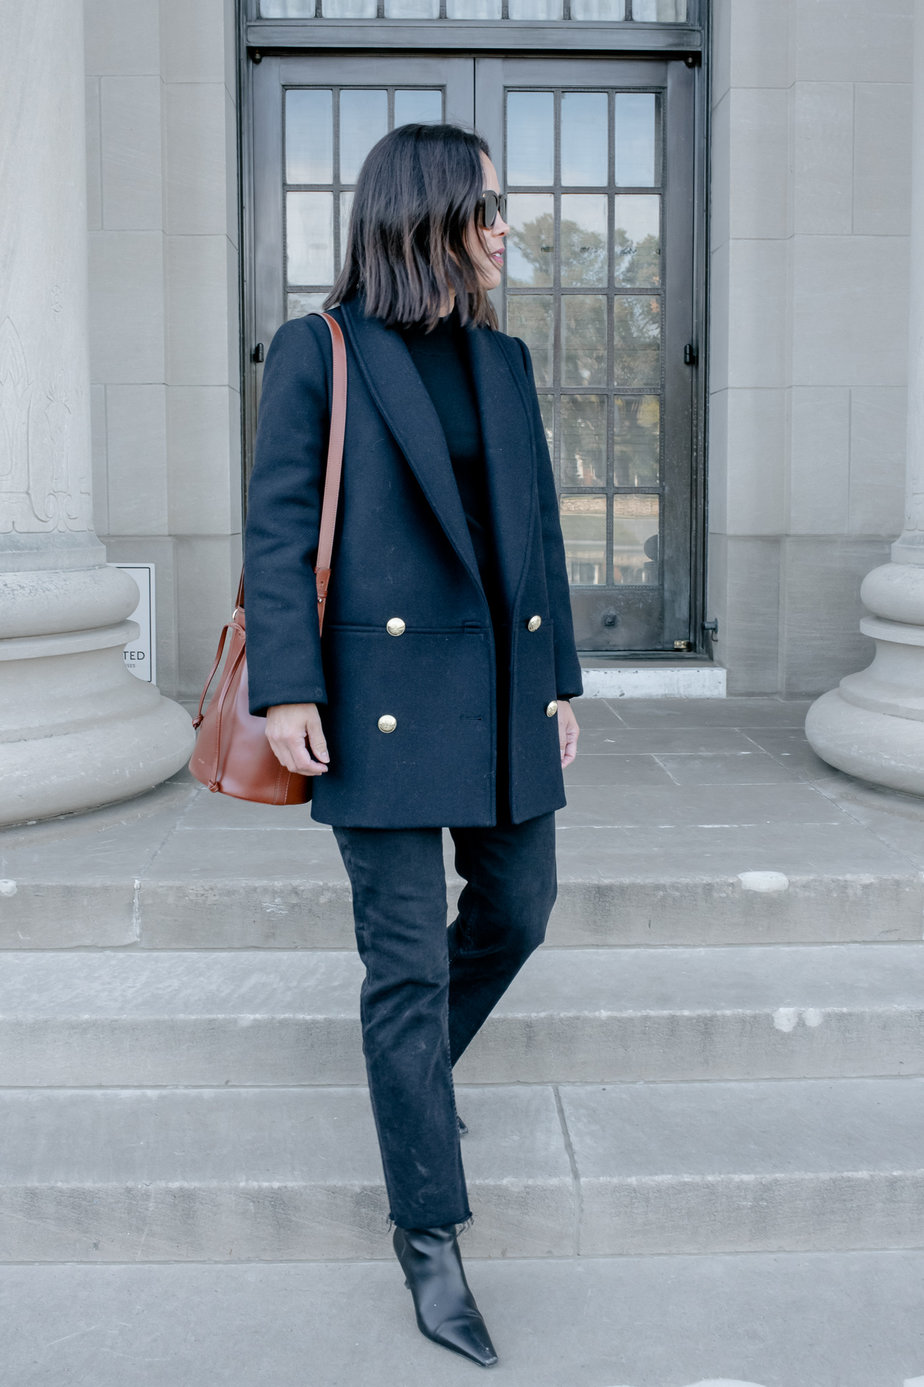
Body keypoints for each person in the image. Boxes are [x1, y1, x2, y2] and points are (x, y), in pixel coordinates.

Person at [244, 123, 581, 1369]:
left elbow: (538, 531)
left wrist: (560, 683)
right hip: (372, 702)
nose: (503, 229)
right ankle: (429, 1234)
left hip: (500, 693)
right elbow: (277, 526)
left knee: (521, 909)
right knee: (402, 967)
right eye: (487, 209)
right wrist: (287, 685)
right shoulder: (320, 348)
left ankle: (413, 1089)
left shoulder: (504, 358)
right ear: (427, 215)